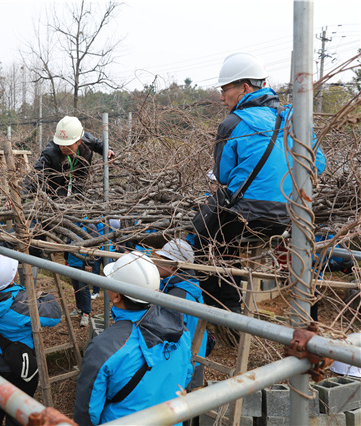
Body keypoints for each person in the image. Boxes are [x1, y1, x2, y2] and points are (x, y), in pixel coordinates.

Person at [194, 52, 326, 312]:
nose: (222, 97)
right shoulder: (295, 118)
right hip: (292, 216)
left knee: (205, 241)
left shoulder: (233, 123)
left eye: (224, 90)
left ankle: (225, 311)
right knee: (304, 258)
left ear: (244, 87)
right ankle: (311, 319)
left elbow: (222, 176)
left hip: (249, 217)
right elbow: (318, 164)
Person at [74, 251, 192, 426]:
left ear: (116, 296)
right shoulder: (181, 331)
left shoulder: (105, 347)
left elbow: (88, 413)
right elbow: (186, 375)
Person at [0, 253, 61, 426]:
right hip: (19, 365)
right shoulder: (20, 305)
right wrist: (44, 296)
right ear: (12, 279)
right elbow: (54, 315)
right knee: (18, 409)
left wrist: (0, 250)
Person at [154, 239, 208, 391]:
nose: (156, 263)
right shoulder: (187, 284)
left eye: (161, 259)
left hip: (185, 363)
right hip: (195, 356)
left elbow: (167, 335)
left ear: (172, 266)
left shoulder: (178, 296)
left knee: (181, 401)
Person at [24, 116, 114, 198]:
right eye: (61, 144)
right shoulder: (50, 152)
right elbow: (36, 174)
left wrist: (108, 150)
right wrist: (21, 193)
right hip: (56, 191)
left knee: (79, 197)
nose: (63, 147)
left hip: (79, 182)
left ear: (79, 141)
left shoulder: (88, 140)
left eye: (68, 145)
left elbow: (98, 144)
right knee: (60, 201)